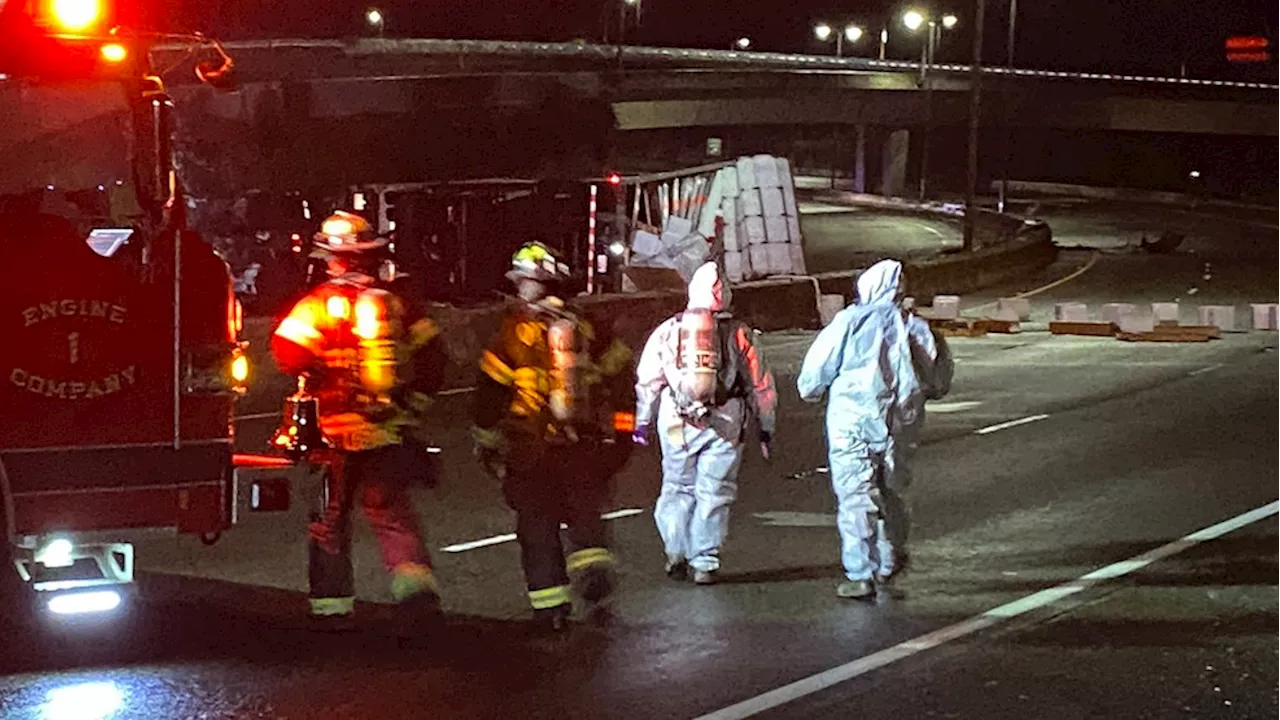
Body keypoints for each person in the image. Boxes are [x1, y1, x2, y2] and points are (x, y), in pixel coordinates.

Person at [272, 210, 447, 629]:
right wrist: (411, 410)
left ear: (331, 258)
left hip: (330, 437)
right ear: (368, 256)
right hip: (385, 432)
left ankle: (332, 612)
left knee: (328, 524)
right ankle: (417, 598)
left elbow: (286, 353)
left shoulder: (316, 305)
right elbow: (434, 359)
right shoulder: (398, 304)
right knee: (393, 519)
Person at [471, 242, 634, 631]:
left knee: (536, 526)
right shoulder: (592, 327)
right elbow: (624, 384)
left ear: (533, 285)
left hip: (528, 449)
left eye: (522, 282)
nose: (518, 290)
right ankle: (594, 574)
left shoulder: (511, 334)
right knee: (584, 517)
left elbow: (489, 396)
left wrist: (487, 444)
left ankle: (551, 606)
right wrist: (624, 438)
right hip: (584, 444)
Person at [797, 258, 950, 600]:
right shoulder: (916, 328)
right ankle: (891, 555)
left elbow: (814, 374)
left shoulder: (849, 322)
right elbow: (939, 381)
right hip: (902, 423)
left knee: (855, 495)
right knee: (894, 489)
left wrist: (813, 391)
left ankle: (860, 571)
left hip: (852, 419)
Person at [633, 262, 777, 585]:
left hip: (675, 420)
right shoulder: (741, 333)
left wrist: (642, 422)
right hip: (726, 420)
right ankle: (705, 561)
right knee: (715, 490)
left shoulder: (669, 329)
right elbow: (761, 385)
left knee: (676, 485)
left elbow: (647, 380)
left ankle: (675, 550)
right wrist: (766, 429)